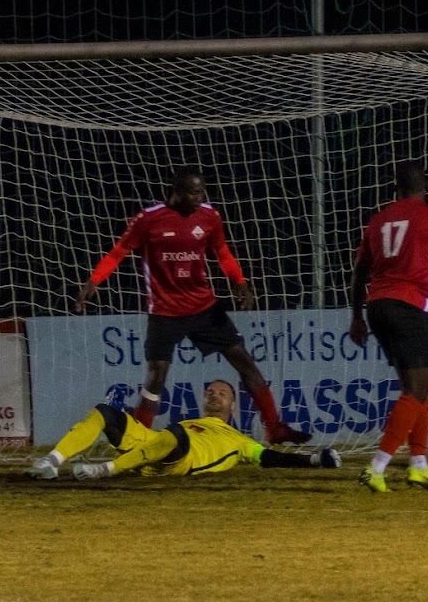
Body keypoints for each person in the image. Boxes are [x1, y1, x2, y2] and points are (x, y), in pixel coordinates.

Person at [76, 167, 309, 444]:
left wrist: (239, 281)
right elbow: (118, 252)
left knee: (244, 362)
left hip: (203, 307)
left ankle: (274, 428)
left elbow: (222, 251)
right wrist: (94, 281)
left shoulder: (209, 216)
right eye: (194, 192)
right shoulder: (148, 219)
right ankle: (136, 439)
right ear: (177, 192)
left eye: (202, 192)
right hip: (165, 310)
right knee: (156, 375)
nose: (200, 197)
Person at [349, 162, 428, 493]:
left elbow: (359, 272)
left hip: (377, 306)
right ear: (425, 188)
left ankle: (419, 465)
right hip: (410, 306)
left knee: (416, 387)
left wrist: (356, 317)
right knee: (417, 388)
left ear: (396, 189)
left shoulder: (378, 220)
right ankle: (377, 466)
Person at [25, 379, 340, 480]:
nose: (214, 395)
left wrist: (315, 460)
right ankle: (52, 460)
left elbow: (272, 458)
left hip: (180, 457)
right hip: (155, 444)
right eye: (210, 392)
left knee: (174, 435)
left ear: (233, 405)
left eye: (222, 393)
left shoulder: (239, 441)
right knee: (104, 412)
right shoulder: (190, 421)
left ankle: (105, 469)